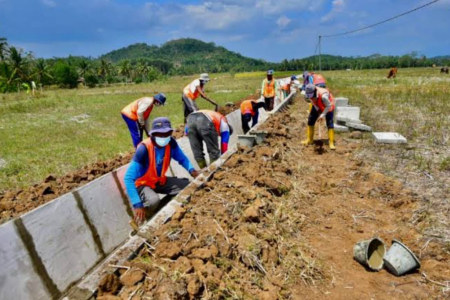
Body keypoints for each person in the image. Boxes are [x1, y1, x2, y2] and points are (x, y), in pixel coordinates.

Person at [124, 117, 200, 224]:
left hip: (158, 180)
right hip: (142, 184)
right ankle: (147, 215)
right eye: (160, 134)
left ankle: (163, 211)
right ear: (153, 134)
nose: (163, 137)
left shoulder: (171, 143)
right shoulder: (144, 149)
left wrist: (192, 171)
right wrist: (137, 204)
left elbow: (182, 158)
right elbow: (128, 178)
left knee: (187, 186)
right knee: (153, 201)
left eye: (166, 134)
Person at [301, 84, 336, 150]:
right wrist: (318, 110)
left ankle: (331, 142)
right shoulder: (309, 94)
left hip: (328, 106)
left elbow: (328, 106)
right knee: (310, 120)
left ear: (315, 93)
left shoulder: (324, 96)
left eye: (312, 97)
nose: (311, 98)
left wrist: (322, 115)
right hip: (318, 104)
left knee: (330, 122)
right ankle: (309, 139)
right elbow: (313, 102)